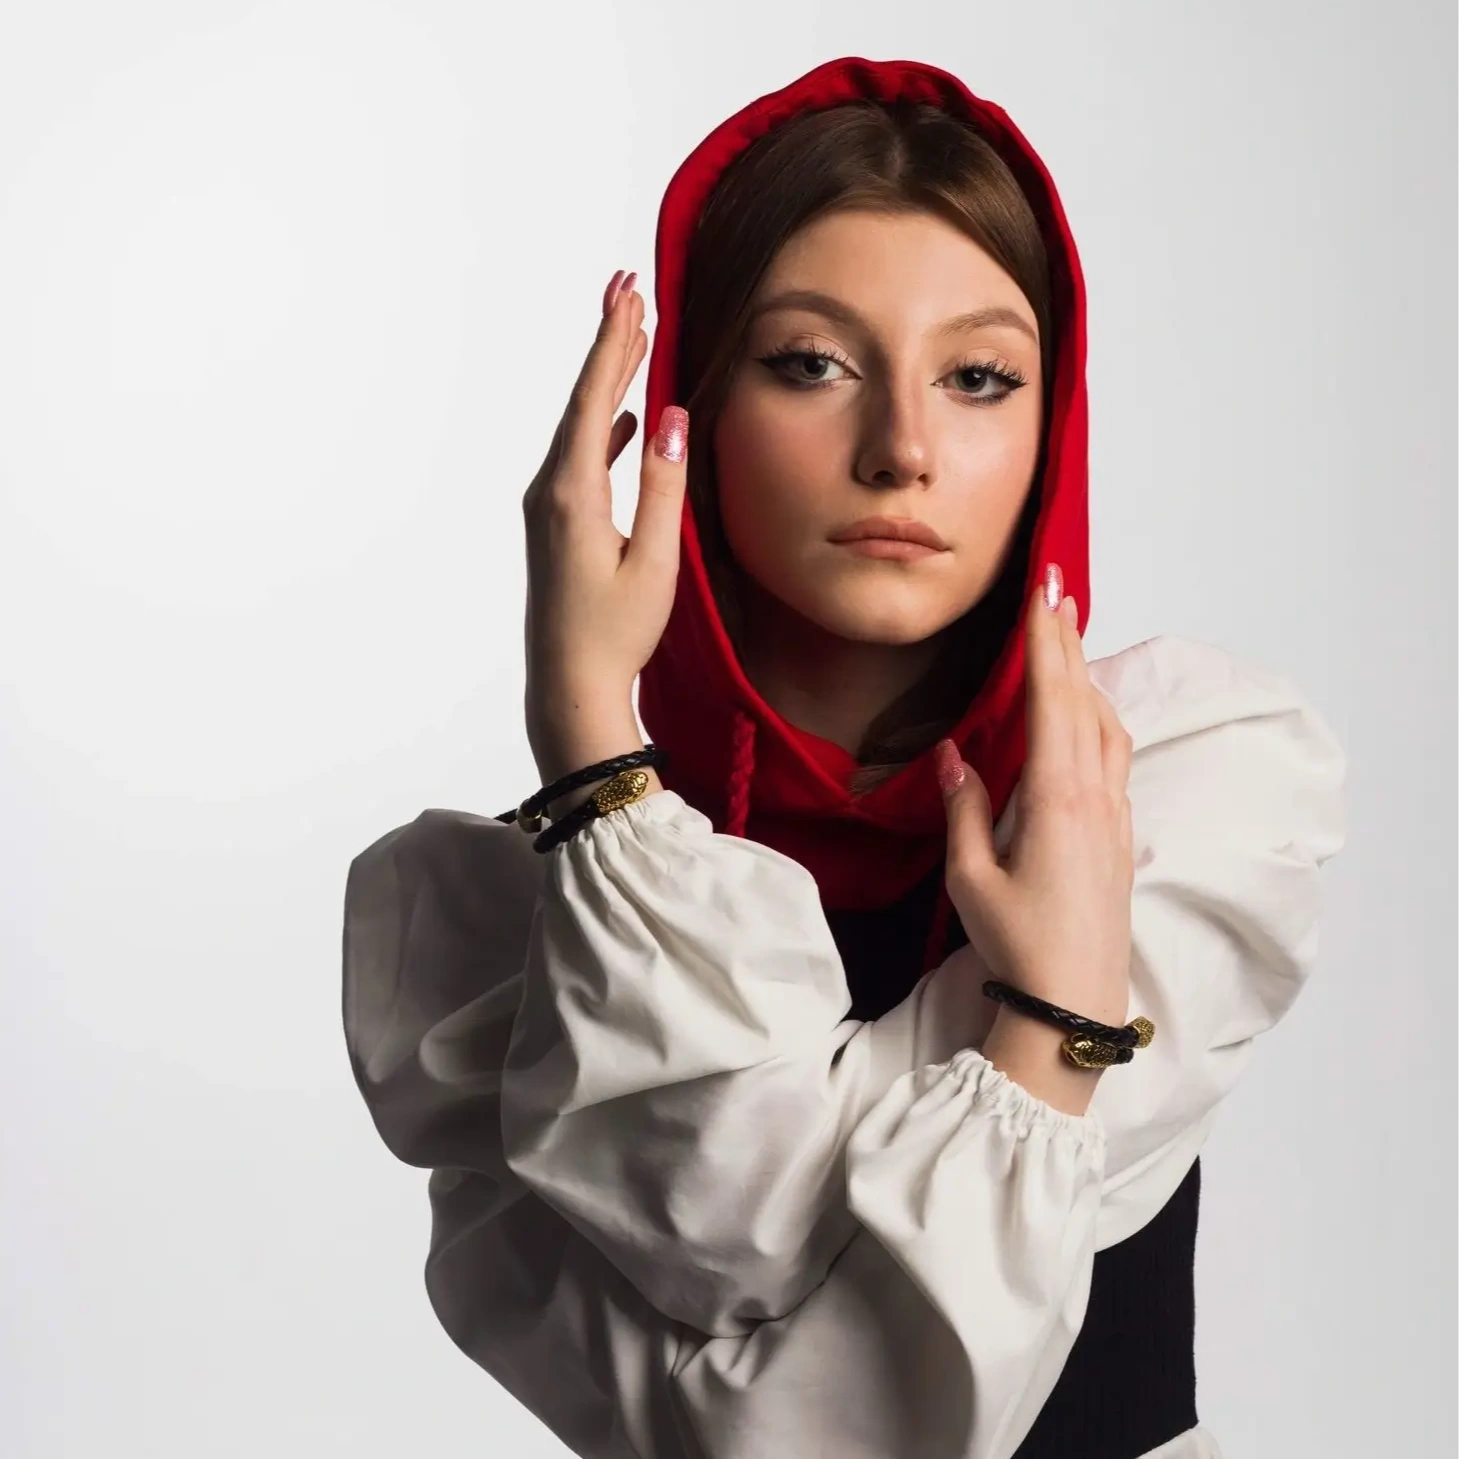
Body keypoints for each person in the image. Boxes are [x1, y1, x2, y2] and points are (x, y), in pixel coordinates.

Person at [341, 55, 1346, 1459]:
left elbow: (782, 1313)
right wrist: (591, 745)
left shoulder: (1173, 789)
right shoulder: (492, 932)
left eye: (978, 377)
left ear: (1053, 425)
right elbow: (748, 1323)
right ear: (689, 411)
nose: (901, 450)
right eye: (810, 363)